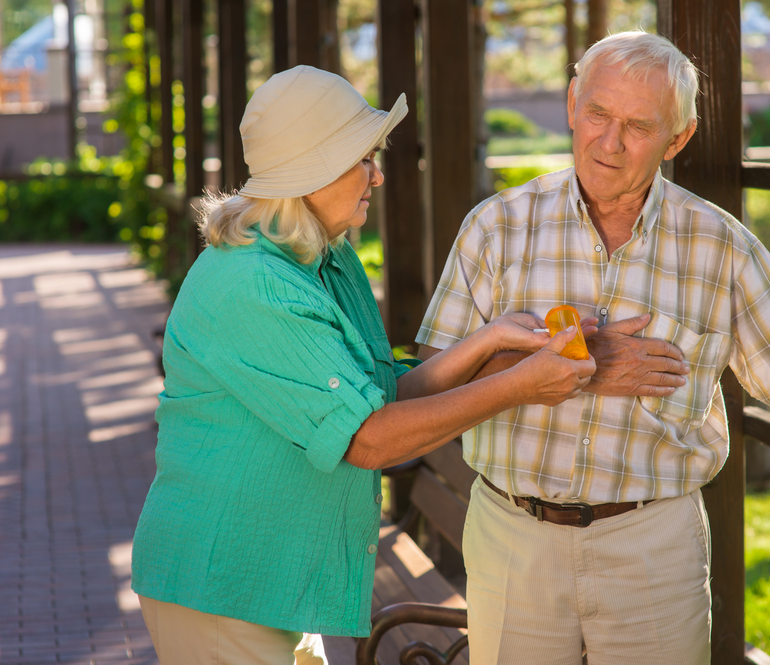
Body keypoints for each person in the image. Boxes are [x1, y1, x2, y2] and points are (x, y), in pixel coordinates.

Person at [416, 31, 770, 664]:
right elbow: (433, 379)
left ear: (678, 139)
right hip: (512, 534)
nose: (609, 141)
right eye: (596, 113)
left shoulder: (720, 245)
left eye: (638, 126)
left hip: (652, 542)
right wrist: (580, 369)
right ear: (571, 103)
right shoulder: (495, 228)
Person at [130, 65, 595, 665]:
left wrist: (486, 343)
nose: (378, 173)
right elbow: (370, 439)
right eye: (362, 158)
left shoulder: (325, 257)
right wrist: (518, 387)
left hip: (273, 583)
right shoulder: (255, 286)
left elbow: (378, 395)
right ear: (311, 172)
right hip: (221, 589)